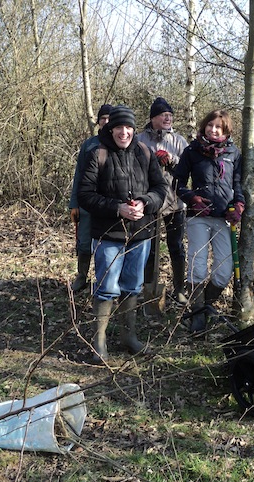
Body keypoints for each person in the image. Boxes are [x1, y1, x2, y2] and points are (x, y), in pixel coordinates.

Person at [78, 105, 168, 362]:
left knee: (133, 286)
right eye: (119, 127)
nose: (124, 132)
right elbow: (85, 195)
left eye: (129, 127)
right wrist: (117, 209)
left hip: (140, 234)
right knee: (106, 288)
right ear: (111, 128)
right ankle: (100, 344)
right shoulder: (98, 154)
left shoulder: (144, 152)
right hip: (108, 234)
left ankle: (129, 337)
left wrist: (145, 202)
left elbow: (160, 188)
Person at [172, 109, 245, 333]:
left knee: (224, 271)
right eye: (210, 125)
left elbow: (239, 183)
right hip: (198, 218)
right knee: (198, 267)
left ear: (226, 130)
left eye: (219, 127)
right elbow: (177, 183)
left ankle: (206, 306)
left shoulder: (233, 153)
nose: (213, 130)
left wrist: (239, 204)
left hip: (224, 219)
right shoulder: (192, 151)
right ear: (204, 126)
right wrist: (191, 198)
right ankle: (197, 315)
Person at [136, 97, 189, 307]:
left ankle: (179, 289)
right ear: (153, 118)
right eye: (162, 115)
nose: (167, 118)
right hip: (149, 202)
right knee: (147, 247)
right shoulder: (139, 139)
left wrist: (172, 160)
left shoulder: (179, 141)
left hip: (175, 203)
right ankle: (147, 287)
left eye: (170, 115)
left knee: (176, 246)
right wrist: (151, 160)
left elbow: (187, 171)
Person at [69, 104, 112, 292]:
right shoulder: (89, 145)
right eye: (103, 118)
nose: (106, 121)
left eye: (110, 118)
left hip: (108, 203)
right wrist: (74, 204)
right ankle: (82, 275)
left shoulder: (119, 143)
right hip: (87, 201)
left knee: (106, 244)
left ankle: (104, 279)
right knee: (84, 242)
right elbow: (78, 175)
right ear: (98, 121)